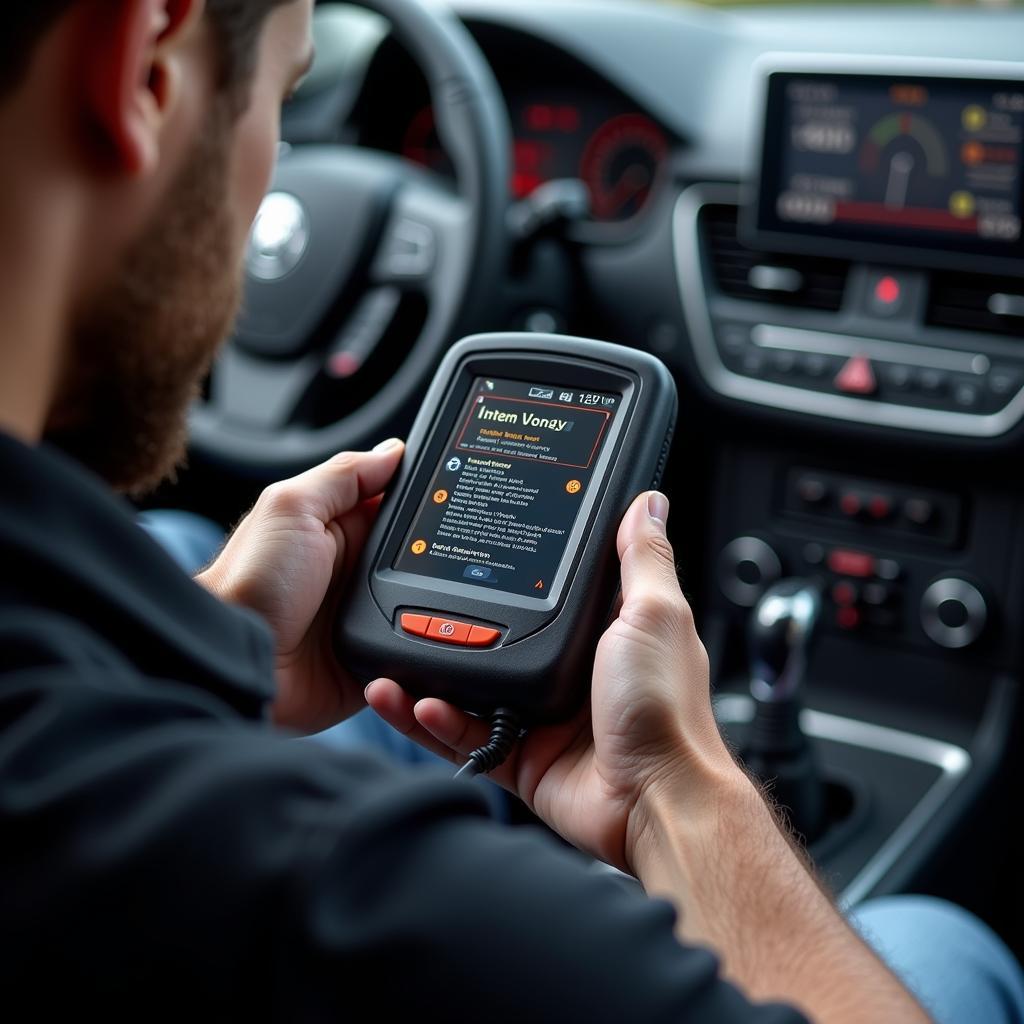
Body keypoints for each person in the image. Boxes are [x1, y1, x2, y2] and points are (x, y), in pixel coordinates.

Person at [0, 2, 1021, 1021]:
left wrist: (217, 646)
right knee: (942, 942)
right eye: (285, 89)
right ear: (147, 68)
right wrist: (673, 788)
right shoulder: (384, 904)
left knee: (190, 555)